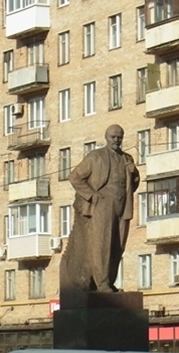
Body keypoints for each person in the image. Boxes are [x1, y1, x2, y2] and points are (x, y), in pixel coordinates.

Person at [59, 124, 141, 300]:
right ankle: (101, 283)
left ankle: (109, 282)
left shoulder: (127, 158)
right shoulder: (95, 156)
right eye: (113, 137)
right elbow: (74, 176)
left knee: (118, 245)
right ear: (106, 137)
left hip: (122, 205)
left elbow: (132, 185)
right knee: (102, 244)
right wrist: (91, 195)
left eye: (119, 137)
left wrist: (134, 174)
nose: (116, 140)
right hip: (102, 204)